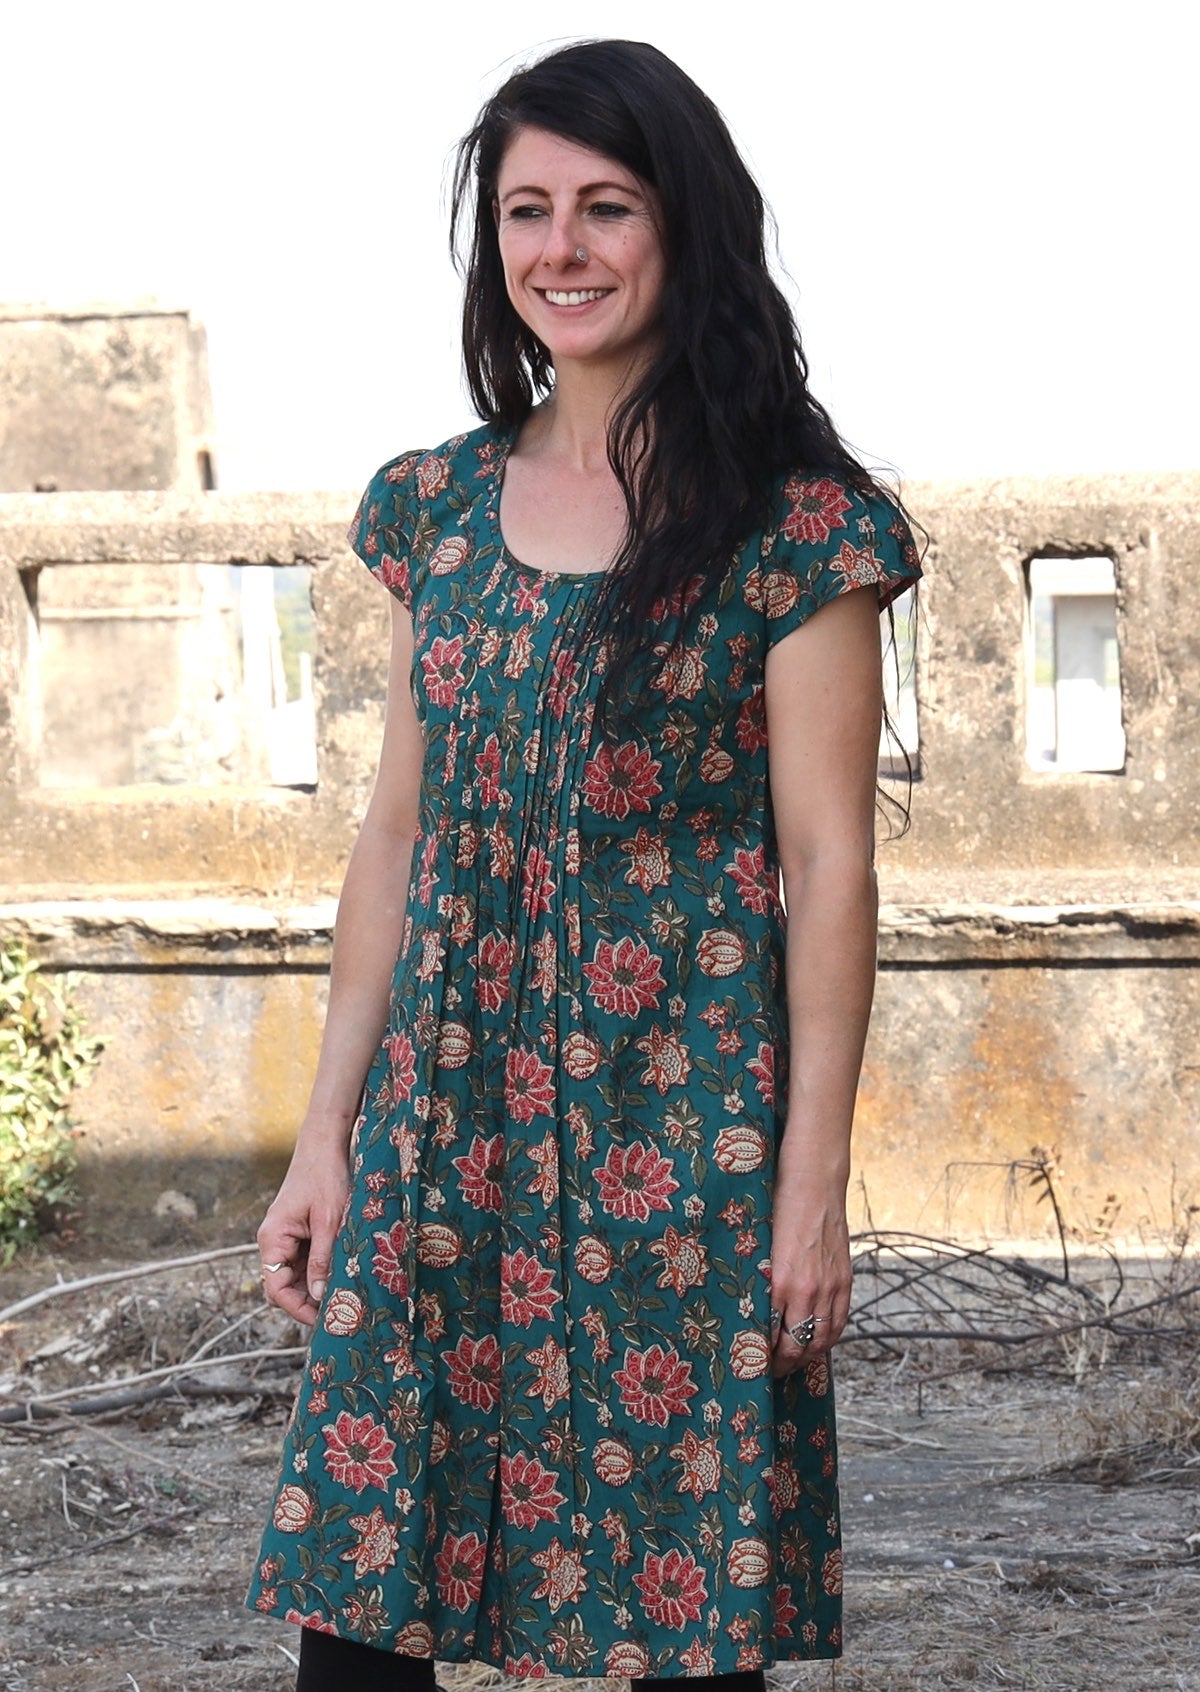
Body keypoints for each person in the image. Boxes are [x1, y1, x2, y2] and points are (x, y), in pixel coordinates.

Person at [246, 37, 922, 1691]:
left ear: (684, 228)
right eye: (526, 210)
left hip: (674, 1136)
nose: (559, 248)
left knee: (690, 1610)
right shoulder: (436, 508)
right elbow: (398, 838)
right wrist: (324, 1136)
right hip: (441, 1114)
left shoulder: (795, 525)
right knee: (365, 1603)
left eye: (605, 207)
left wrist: (809, 1184)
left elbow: (831, 867)